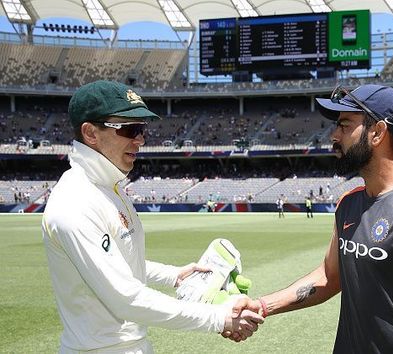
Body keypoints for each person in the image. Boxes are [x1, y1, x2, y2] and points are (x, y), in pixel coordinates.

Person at [229, 84, 393, 353]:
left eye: (344, 125)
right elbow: (330, 277)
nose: (334, 135)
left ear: (377, 132)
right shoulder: (348, 203)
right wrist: (262, 305)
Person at [41, 80, 263, 353]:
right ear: (90, 133)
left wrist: (175, 275)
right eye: (130, 129)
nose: (141, 139)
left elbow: (117, 261)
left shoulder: (108, 187)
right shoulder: (75, 201)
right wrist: (219, 318)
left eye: (142, 129)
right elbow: (126, 299)